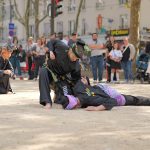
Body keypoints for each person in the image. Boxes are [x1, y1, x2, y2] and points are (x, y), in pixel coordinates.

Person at [39, 38, 85, 109]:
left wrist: (82, 86)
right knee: (43, 71)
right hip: (49, 73)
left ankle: (57, 95)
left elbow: (76, 80)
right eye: (74, 56)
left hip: (60, 80)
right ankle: (47, 101)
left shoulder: (76, 65)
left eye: (77, 58)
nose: (75, 59)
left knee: (65, 99)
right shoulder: (62, 47)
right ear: (70, 50)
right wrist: (51, 51)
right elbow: (51, 41)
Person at [60, 77, 150, 111]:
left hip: (108, 92)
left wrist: (96, 108)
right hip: (104, 89)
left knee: (134, 100)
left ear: (75, 106)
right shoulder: (77, 88)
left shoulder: (91, 101)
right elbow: (113, 100)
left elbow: (112, 101)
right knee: (133, 99)